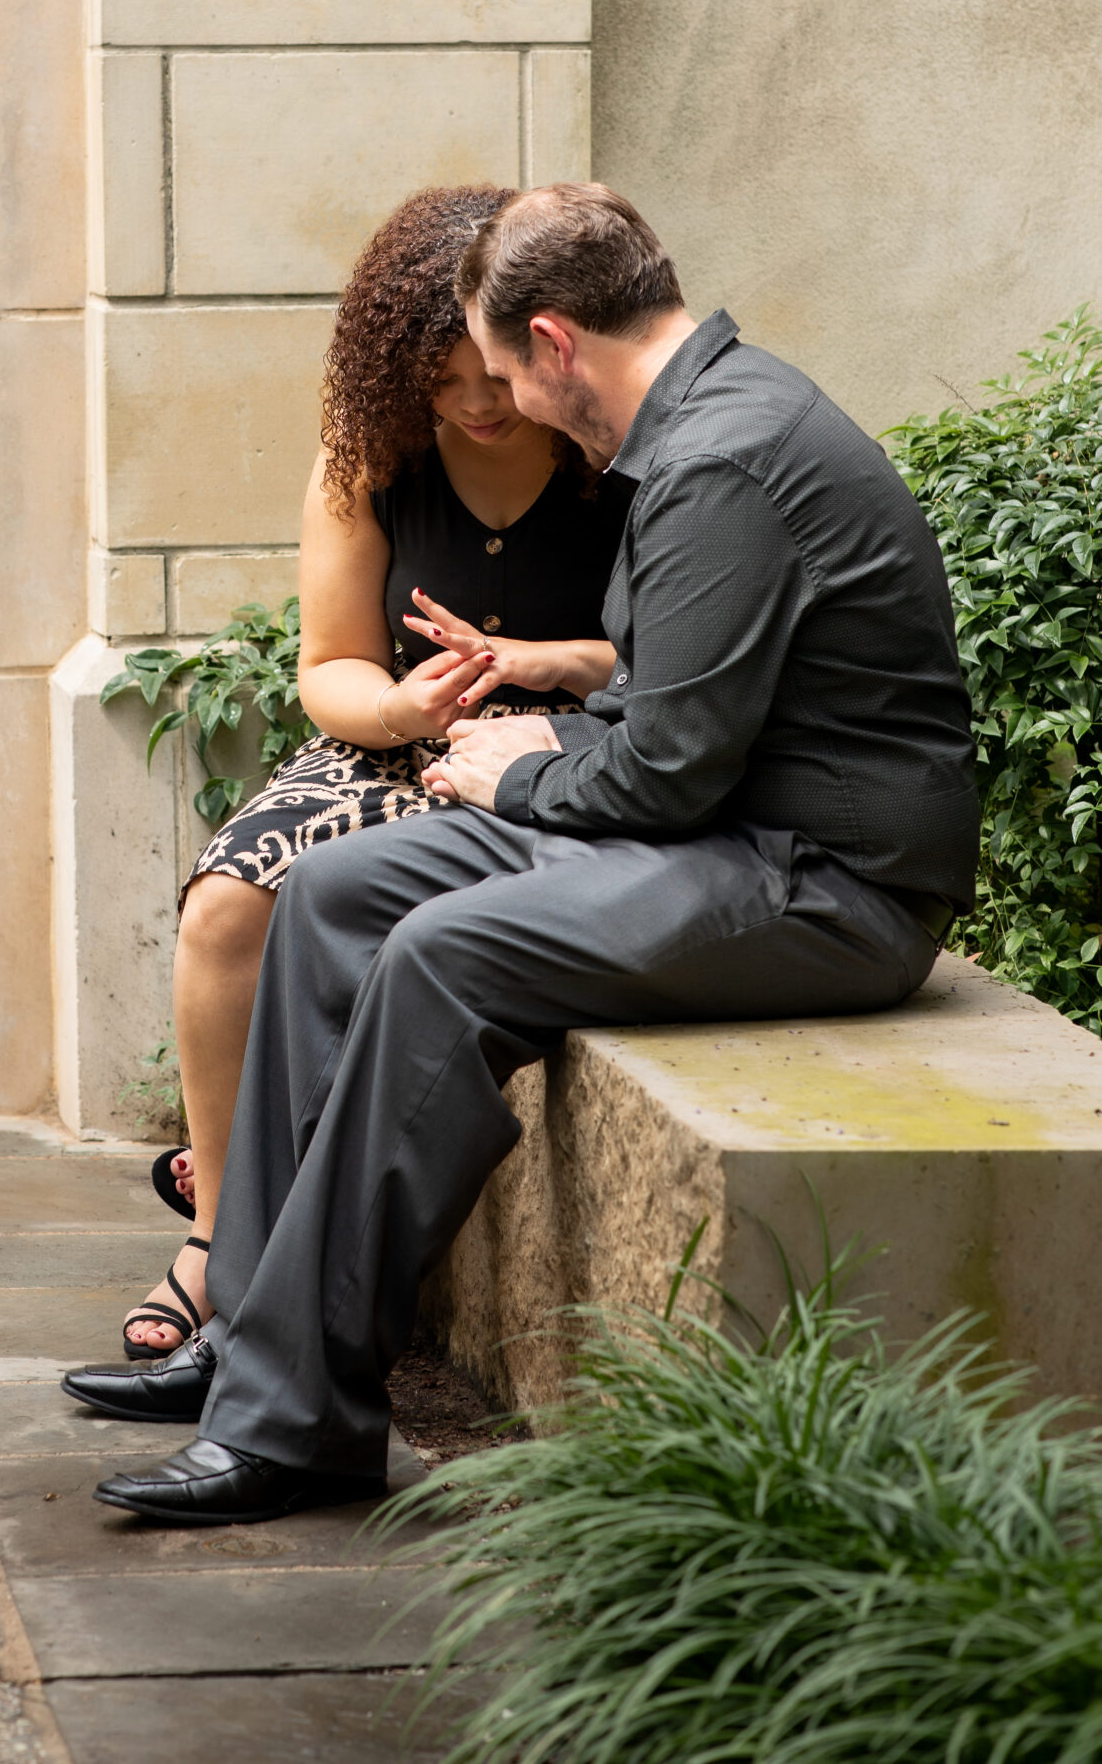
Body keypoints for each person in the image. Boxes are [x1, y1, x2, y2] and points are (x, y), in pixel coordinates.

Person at [64, 183, 981, 1525]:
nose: (505, 402)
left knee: (441, 952)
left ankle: (300, 1425)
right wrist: (541, 751)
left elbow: (666, 771)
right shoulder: (695, 428)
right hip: (722, 837)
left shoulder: (721, 458)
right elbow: (673, 722)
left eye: (502, 372)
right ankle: (248, 1339)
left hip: (819, 886)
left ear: (552, 342)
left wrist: (527, 763)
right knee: (328, 892)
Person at [122, 185, 632, 1361]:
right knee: (226, 905)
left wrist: (549, 664)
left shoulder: (611, 453)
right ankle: (216, 1240)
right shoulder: (369, 456)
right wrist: (400, 704)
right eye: (438, 382)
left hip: (567, 751)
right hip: (393, 744)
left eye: (488, 377)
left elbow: (665, 660)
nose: (470, 404)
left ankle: (308, 1238)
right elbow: (332, 663)